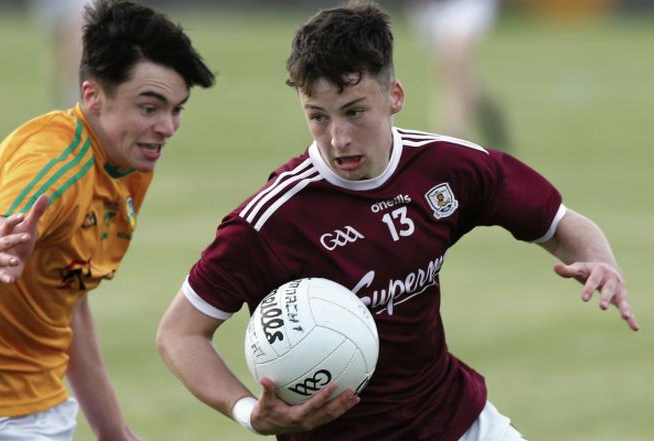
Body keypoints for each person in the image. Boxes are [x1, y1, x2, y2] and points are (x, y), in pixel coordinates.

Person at [156, 1, 637, 440]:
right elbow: (179, 333)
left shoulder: (449, 166)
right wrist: (246, 411)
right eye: (318, 116)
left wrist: (600, 261)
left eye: (355, 111)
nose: (339, 137)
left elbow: (558, 223)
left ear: (395, 96)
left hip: (457, 421)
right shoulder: (272, 220)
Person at [0, 1, 214, 440]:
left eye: (177, 109)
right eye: (150, 108)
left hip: (37, 397)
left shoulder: (125, 163)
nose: (168, 126)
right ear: (93, 96)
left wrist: (112, 429)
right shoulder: (53, 164)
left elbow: (68, 298)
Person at [405, 0, 511, 150]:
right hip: (429, 8)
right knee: (455, 70)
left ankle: (452, 135)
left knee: (453, 64)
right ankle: (488, 111)